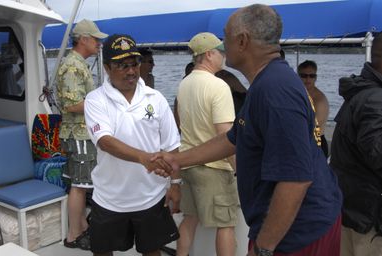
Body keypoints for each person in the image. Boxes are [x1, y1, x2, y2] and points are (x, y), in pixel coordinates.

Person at [152, 4, 342, 256]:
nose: (222, 44)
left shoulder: (274, 91)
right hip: (289, 226)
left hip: (298, 232)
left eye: (225, 36)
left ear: (242, 41)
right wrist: (177, 159)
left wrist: (263, 248)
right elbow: (233, 138)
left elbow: (296, 180)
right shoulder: (264, 83)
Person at [84, 34, 181, 256]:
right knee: (102, 251)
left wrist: (176, 183)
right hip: (109, 198)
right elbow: (105, 141)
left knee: (153, 251)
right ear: (107, 68)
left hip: (151, 196)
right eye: (122, 65)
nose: (131, 71)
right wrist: (143, 157)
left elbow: (172, 144)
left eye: (134, 64)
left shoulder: (155, 98)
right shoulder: (95, 100)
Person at [175, 32, 238, 256]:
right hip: (214, 167)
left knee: (190, 219)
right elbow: (226, 135)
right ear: (209, 54)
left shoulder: (184, 84)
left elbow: (182, 123)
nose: (223, 56)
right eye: (220, 52)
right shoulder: (219, 86)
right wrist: (238, 167)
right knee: (227, 224)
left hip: (189, 164)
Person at [56, 19, 108, 251]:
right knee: (80, 185)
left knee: (81, 183)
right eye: (96, 39)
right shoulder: (72, 66)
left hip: (82, 134)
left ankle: (81, 227)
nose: (99, 43)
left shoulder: (79, 64)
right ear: (83, 39)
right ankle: (74, 234)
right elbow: (71, 104)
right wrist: (103, 105)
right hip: (78, 135)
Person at [330, 32, 382, 256]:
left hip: (353, 211)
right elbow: (378, 155)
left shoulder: (359, 92)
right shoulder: (375, 100)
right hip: (371, 221)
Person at [298, 60, 330, 157]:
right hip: (304, 143)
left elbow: (314, 130)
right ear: (298, 76)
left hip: (316, 144)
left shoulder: (319, 100)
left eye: (311, 76)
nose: (308, 79)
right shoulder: (301, 94)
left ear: (315, 78)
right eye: (304, 76)